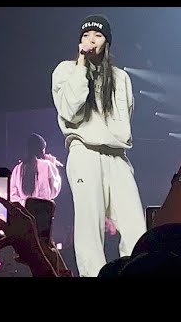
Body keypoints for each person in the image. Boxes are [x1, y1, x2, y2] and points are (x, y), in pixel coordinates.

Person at [51, 14, 146, 277]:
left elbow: (126, 117)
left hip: (117, 156)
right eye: (85, 35)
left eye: (98, 35)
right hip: (85, 153)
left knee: (136, 226)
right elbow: (70, 111)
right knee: (89, 229)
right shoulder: (66, 70)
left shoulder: (121, 78)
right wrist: (81, 64)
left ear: (107, 42)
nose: (90, 40)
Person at [10, 133, 62, 206]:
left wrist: (25, 204)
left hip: (23, 212)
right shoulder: (47, 165)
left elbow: (13, 196)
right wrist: (53, 165)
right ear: (41, 150)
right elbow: (54, 191)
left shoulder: (17, 168)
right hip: (43, 210)